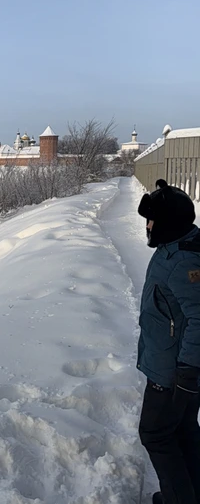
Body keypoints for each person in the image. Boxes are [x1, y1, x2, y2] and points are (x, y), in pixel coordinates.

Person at [137, 179, 200, 504]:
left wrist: (187, 373)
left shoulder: (184, 262)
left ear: (169, 222)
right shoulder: (179, 245)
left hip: (173, 370)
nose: (148, 226)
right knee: (183, 430)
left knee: (156, 434)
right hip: (174, 362)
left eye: (152, 220)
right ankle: (188, 493)